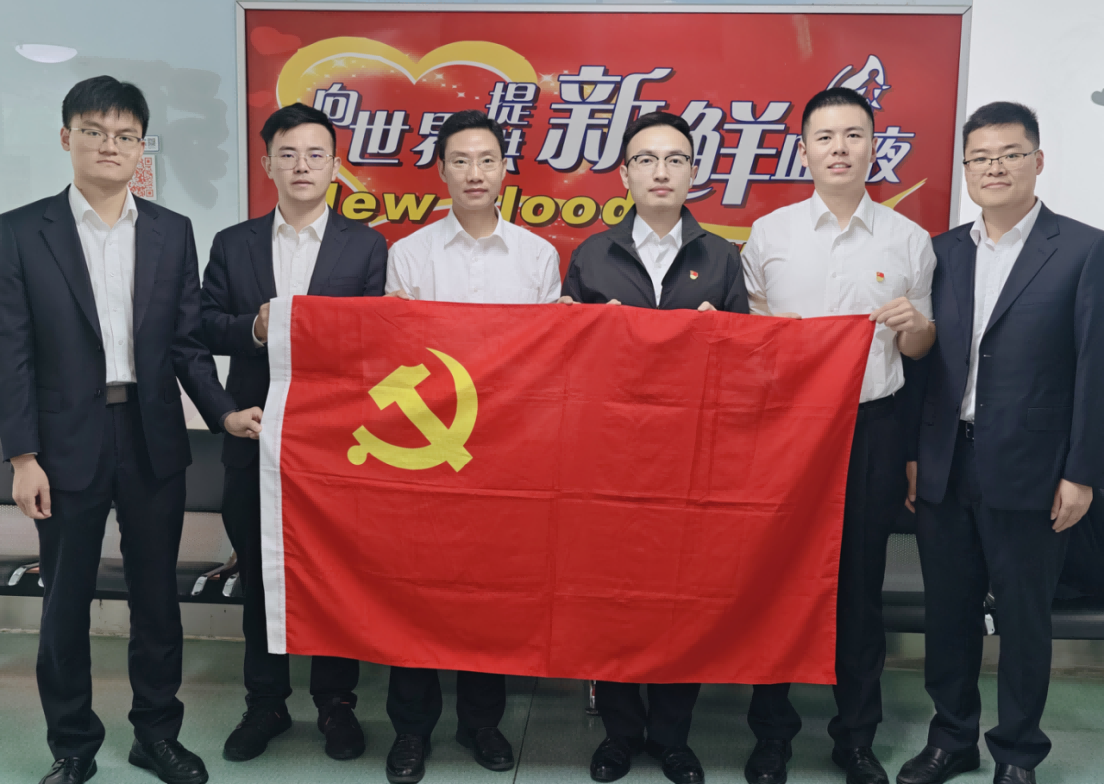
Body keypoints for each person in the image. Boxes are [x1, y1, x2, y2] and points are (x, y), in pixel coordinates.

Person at [0, 76, 262, 784]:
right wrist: (22, 456)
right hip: (63, 445)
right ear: (67, 138)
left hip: (152, 436)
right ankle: (72, 746)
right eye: (94, 131)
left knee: (155, 598)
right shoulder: (20, 232)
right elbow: (11, 352)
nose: (109, 146)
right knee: (64, 601)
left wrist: (222, 412)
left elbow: (185, 344)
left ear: (141, 147)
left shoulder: (172, 231)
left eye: (125, 135)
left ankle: (157, 734)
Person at [898, 102, 1102, 784]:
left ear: (1037, 161)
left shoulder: (1083, 250)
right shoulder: (941, 251)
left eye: (1009, 154)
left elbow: (1094, 368)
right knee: (948, 615)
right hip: (946, 461)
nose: (994, 167)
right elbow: (922, 365)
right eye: (980, 157)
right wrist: (914, 455)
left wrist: (1081, 472)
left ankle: (1017, 753)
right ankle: (951, 739)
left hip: (1033, 469)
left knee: (1023, 620)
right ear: (965, 169)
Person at [740, 87, 936, 784]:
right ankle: (771, 736)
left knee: (858, 587)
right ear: (804, 150)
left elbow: (921, 349)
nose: (839, 149)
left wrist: (914, 327)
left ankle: (854, 738)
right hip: (785, 432)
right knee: (776, 581)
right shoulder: (769, 235)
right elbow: (751, 340)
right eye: (824, 137)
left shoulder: (907, 240)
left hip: (871, 429)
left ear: (873, 146)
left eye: (853, 135)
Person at [560, 110, 749, 784]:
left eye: (674, 159)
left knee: (682, 595)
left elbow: (748, 363)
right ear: (625, 174)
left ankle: (672, 736)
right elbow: (563, 363)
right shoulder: (592, 255)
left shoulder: (722, 256)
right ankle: (619, 733)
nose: (660, 171)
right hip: (608, 455)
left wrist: (720, 336)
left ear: (693, 172)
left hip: (693, 456)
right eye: (645, 159)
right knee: (610, 594)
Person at [200, 103, 387, 764]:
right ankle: (265, 703)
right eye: (288, 154)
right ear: (267, 164)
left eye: (315, 154)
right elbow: (201, 329)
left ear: (335, 167)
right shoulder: (233, 243)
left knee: (334, 576)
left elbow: (376, 346)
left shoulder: (366, 246)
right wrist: (252, 331)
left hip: (338, 447)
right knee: (259, 573)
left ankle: (335, 703)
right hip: (254, 437)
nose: (302, 165)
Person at [383, 109, 560, 784]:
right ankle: (411, 729)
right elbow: (398, 356)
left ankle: (481, 722)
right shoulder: (409, 254)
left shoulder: (538, 256)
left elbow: (548, 361)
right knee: (415, 593)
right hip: (428, 450)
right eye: (460, 160)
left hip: (508, 454)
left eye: (486, 159)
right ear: (441, 170)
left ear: (505, 169)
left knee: (491, 593)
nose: (474, 172)